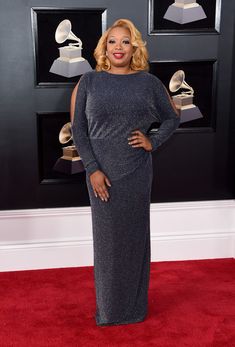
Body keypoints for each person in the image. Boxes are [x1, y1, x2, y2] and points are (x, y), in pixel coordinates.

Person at [70, 18, 180, 326]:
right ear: (104, 47)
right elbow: (79, 130)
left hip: (135, 173)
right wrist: (92, 169)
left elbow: (172, 118)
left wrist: (152, 140)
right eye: (112, 41)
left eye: (125, 41)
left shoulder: (148, 83)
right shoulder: (89, 81)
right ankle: (109, 310)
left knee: (133, 240)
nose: (118, 47)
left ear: (135, 48)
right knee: (107, 244)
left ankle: (134, 309)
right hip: (100, 175)